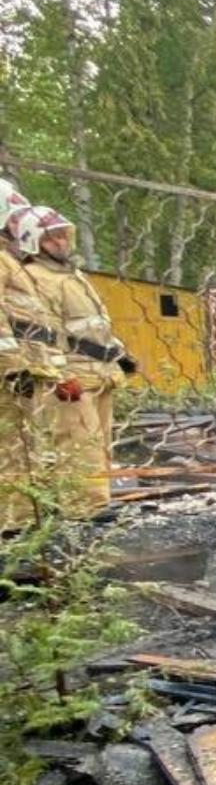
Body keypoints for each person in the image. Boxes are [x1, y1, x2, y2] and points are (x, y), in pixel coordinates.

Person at [16, 206, 135, 514]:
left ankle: (97, 502)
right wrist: (58, 375)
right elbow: (41, 331)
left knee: (100, 443)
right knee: (78, 444)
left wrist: (119, 355)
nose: (61, 242)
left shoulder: (73, 274)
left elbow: (93, 324)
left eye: (63, 235)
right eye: (52, 237)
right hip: (73, 374)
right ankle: (83, 510)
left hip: (99, 372)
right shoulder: (35, 278)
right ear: (33, 241)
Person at [0, 183, 73, 528]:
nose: (21, 226)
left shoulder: (11, 261)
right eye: (15, 219)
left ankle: (34, 514)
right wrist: (13, 367)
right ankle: (18, 523)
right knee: (13, 445)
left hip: (29, 366)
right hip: (12, 371)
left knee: (31, 441)